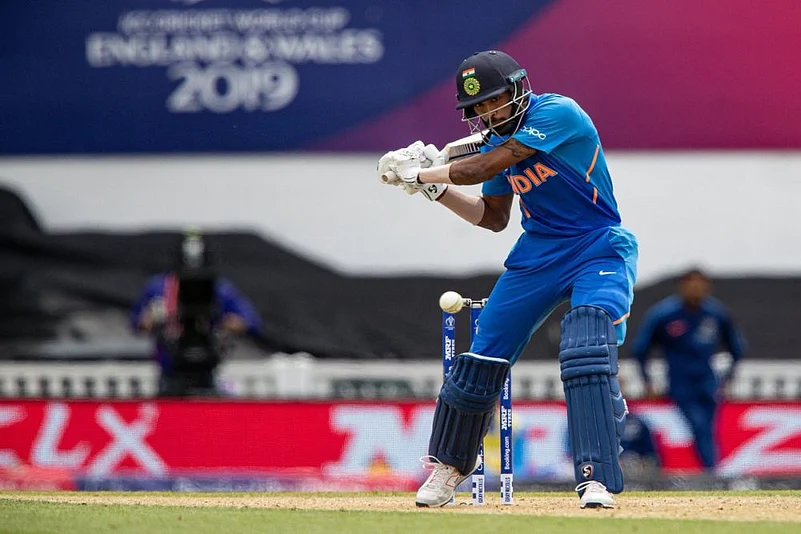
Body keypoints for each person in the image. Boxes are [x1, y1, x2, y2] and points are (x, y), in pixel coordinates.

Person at [378, 50, 638, 508]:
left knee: (585, 344)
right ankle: (448, 469)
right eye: (477, 107)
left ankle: (595, 478)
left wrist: (418, 172)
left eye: (493, 100)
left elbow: (484, 166)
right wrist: (434, 190)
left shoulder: (557, 113)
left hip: (597, 244)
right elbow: (493, 217)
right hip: (537, 254)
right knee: (481, 358)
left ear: (518, 88)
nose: (487, 112)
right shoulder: (496, 141)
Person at [630, 268, 746, 472]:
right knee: (698, 425)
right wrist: (648, 381)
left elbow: (737, 347)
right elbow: (640, 349)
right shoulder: (664, 314)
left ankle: (711, 470)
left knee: (708, 428)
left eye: (700, 285)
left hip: (708, 380)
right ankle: (712, 471)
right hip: (680, 381)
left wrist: (728, 377)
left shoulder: (715, 313)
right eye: (691, 285)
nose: (696, 290)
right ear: (681, 287)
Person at [131, 229, 262, 397]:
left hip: (207, 362)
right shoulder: (159, 287)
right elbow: (137, 322)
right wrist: (152, 318)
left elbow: (250, 320)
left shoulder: (218, 288)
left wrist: (227, 322)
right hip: (171, 363)